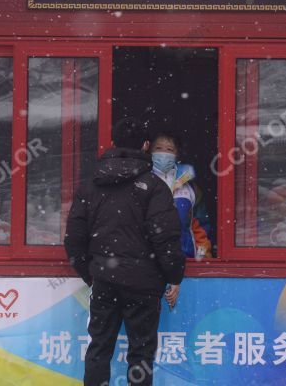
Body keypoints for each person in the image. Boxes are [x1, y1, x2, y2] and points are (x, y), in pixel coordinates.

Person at [64, 118, 186, 386]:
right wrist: (174, 275)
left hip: (104, 279)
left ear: (113, 144)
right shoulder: (155, 187)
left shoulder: (90, 185)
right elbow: (165, 238)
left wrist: (91, 274)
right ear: (145, 146)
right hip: (144, 283)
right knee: (141, 354)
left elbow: (74, 238)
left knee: (99, 348)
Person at [150, 131, 213, 259]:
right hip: (151, 264)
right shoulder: (142, 183)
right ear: (150, 150)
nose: (164, 153)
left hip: (186, 260)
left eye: (169, 149)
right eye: (158, 148)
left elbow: (201, 226)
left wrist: (202, 257)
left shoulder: (190, 187)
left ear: (177, 154)